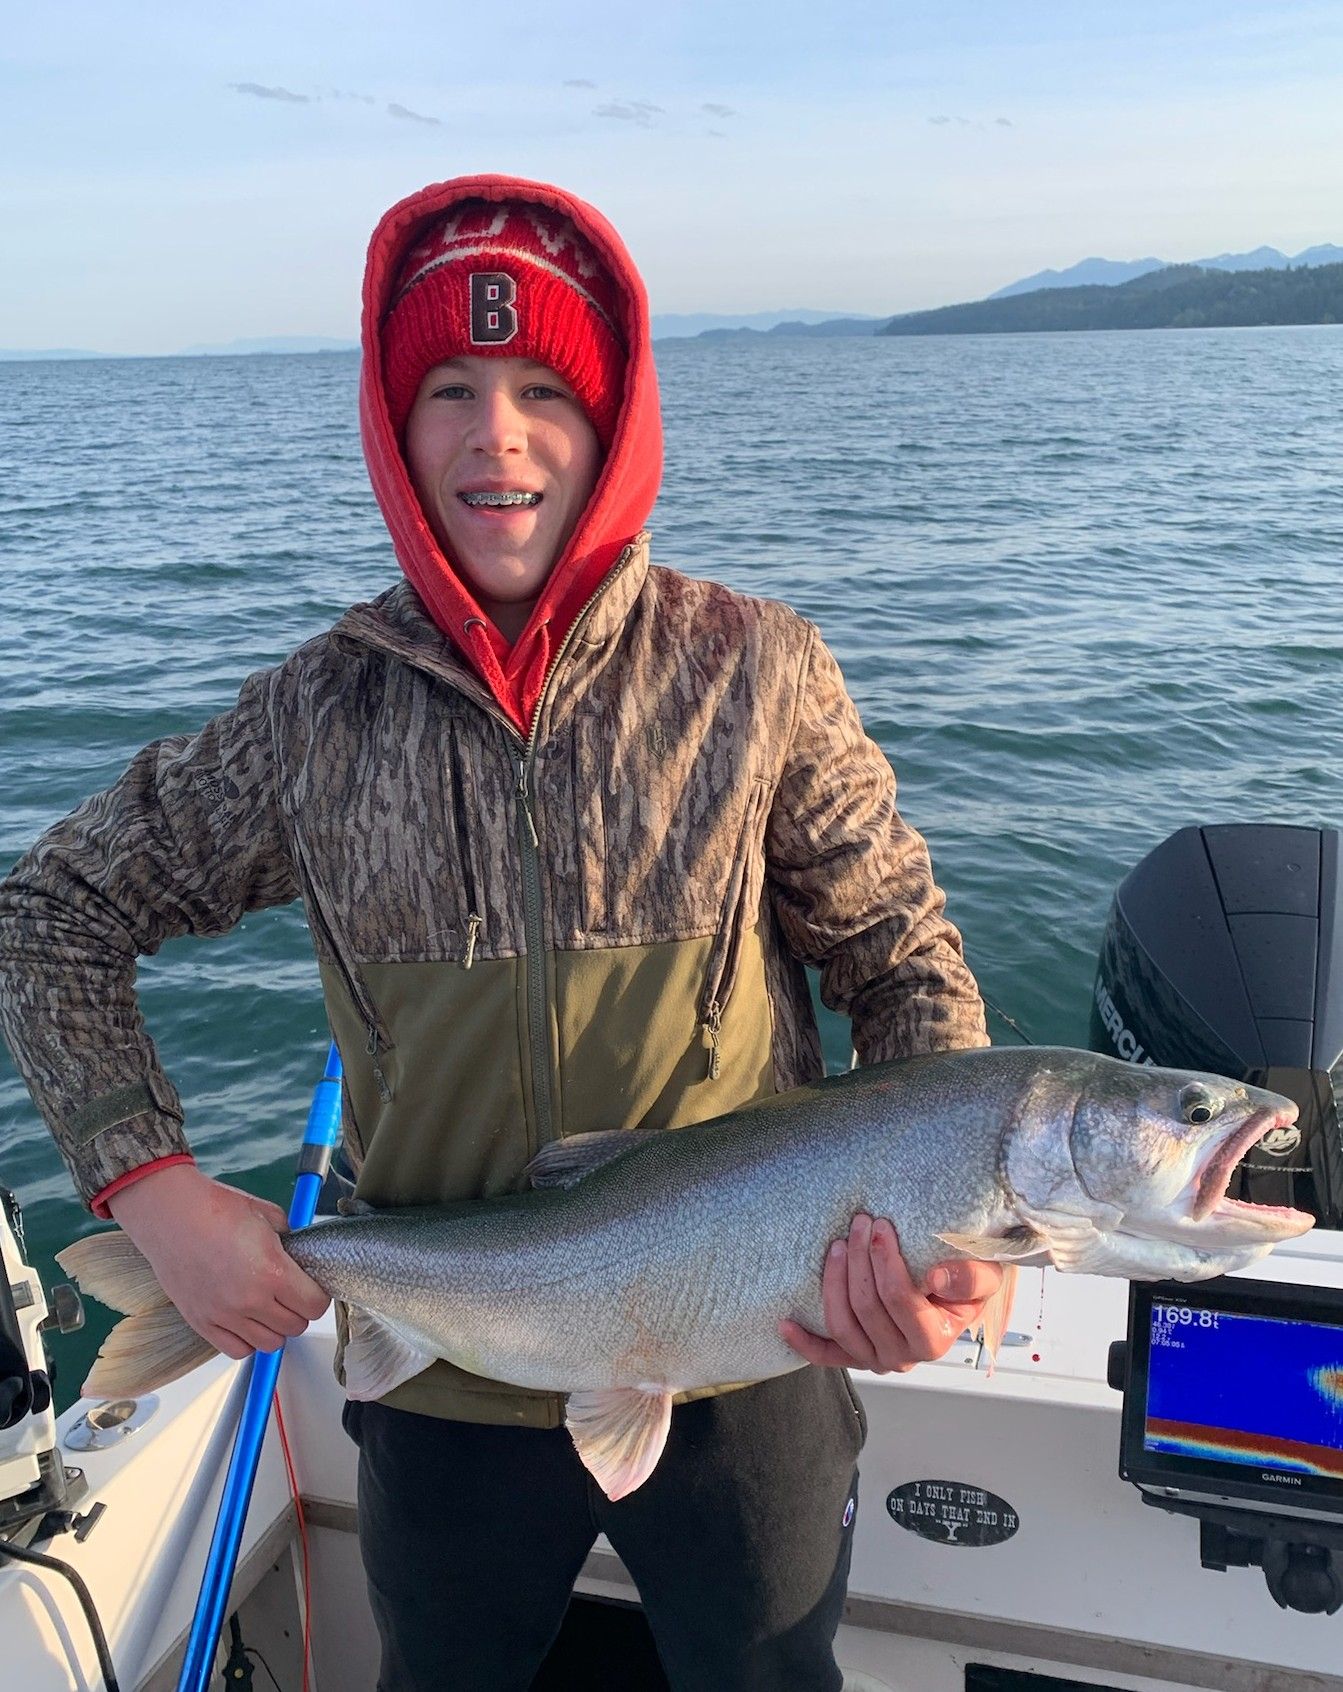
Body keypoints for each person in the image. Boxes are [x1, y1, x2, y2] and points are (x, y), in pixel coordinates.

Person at [0, 176, 1001, 1690]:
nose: (499, 435)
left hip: (751, 1346)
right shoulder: (312, 719)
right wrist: (149, 1189)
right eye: (449, 391)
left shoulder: (756, 671)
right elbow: (50, 916)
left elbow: (901, 961)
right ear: (394, 432)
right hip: (445, 1368)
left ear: (612, 422)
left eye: (544, 388)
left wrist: (940, 1229)